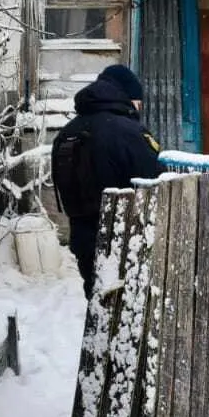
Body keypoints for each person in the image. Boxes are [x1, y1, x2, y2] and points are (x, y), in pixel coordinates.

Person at [50, 64, 163, 298]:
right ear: (127, 97)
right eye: (138, 102)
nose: (139, 109)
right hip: (126, 237)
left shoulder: (67, 132)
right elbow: (157, 179)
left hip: (83, 238)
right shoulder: (129, 133)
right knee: (129, 306)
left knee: (97, 302)